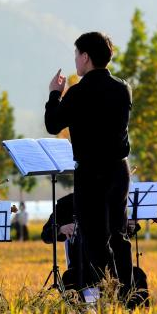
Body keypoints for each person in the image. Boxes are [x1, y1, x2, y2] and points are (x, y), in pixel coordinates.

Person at [44, 31, 133, 285]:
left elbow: (53, 124)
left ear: (85, 57)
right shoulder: (123, 88)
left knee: (95, 238)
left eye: (76, 54)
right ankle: (127, 292)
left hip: (91, 172)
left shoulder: (78, 92)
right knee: (118, 233)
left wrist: (54, 94)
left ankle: (105, 291)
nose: (75, 60)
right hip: (119, 170)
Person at [41, 192, 149, 307]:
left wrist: (130, 226)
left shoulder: (114, 199)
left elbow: (122, 235)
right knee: (69, 278)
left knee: (137, 274)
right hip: (84, 267)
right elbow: (45, 235)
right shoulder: (67, 203)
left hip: (114, 265)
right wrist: (60, 229)